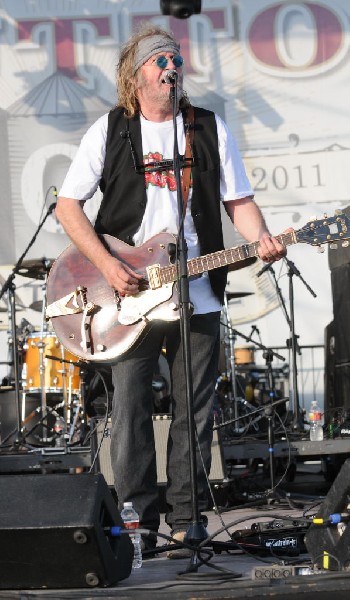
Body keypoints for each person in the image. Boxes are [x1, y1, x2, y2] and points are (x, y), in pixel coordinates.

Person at [55, 24, 286, 557]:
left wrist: (263, 239)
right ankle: (140, 516)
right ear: (136, 76)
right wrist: (110, 268)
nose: (172, 67)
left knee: (195, 410)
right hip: (129, 294)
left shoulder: (207, 128)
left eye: (176, 58)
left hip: (196, 291)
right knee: (132, 408)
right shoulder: (111, 129)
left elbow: (238, 201)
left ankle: (188, 519)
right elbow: (69, 207)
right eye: (160, 60)